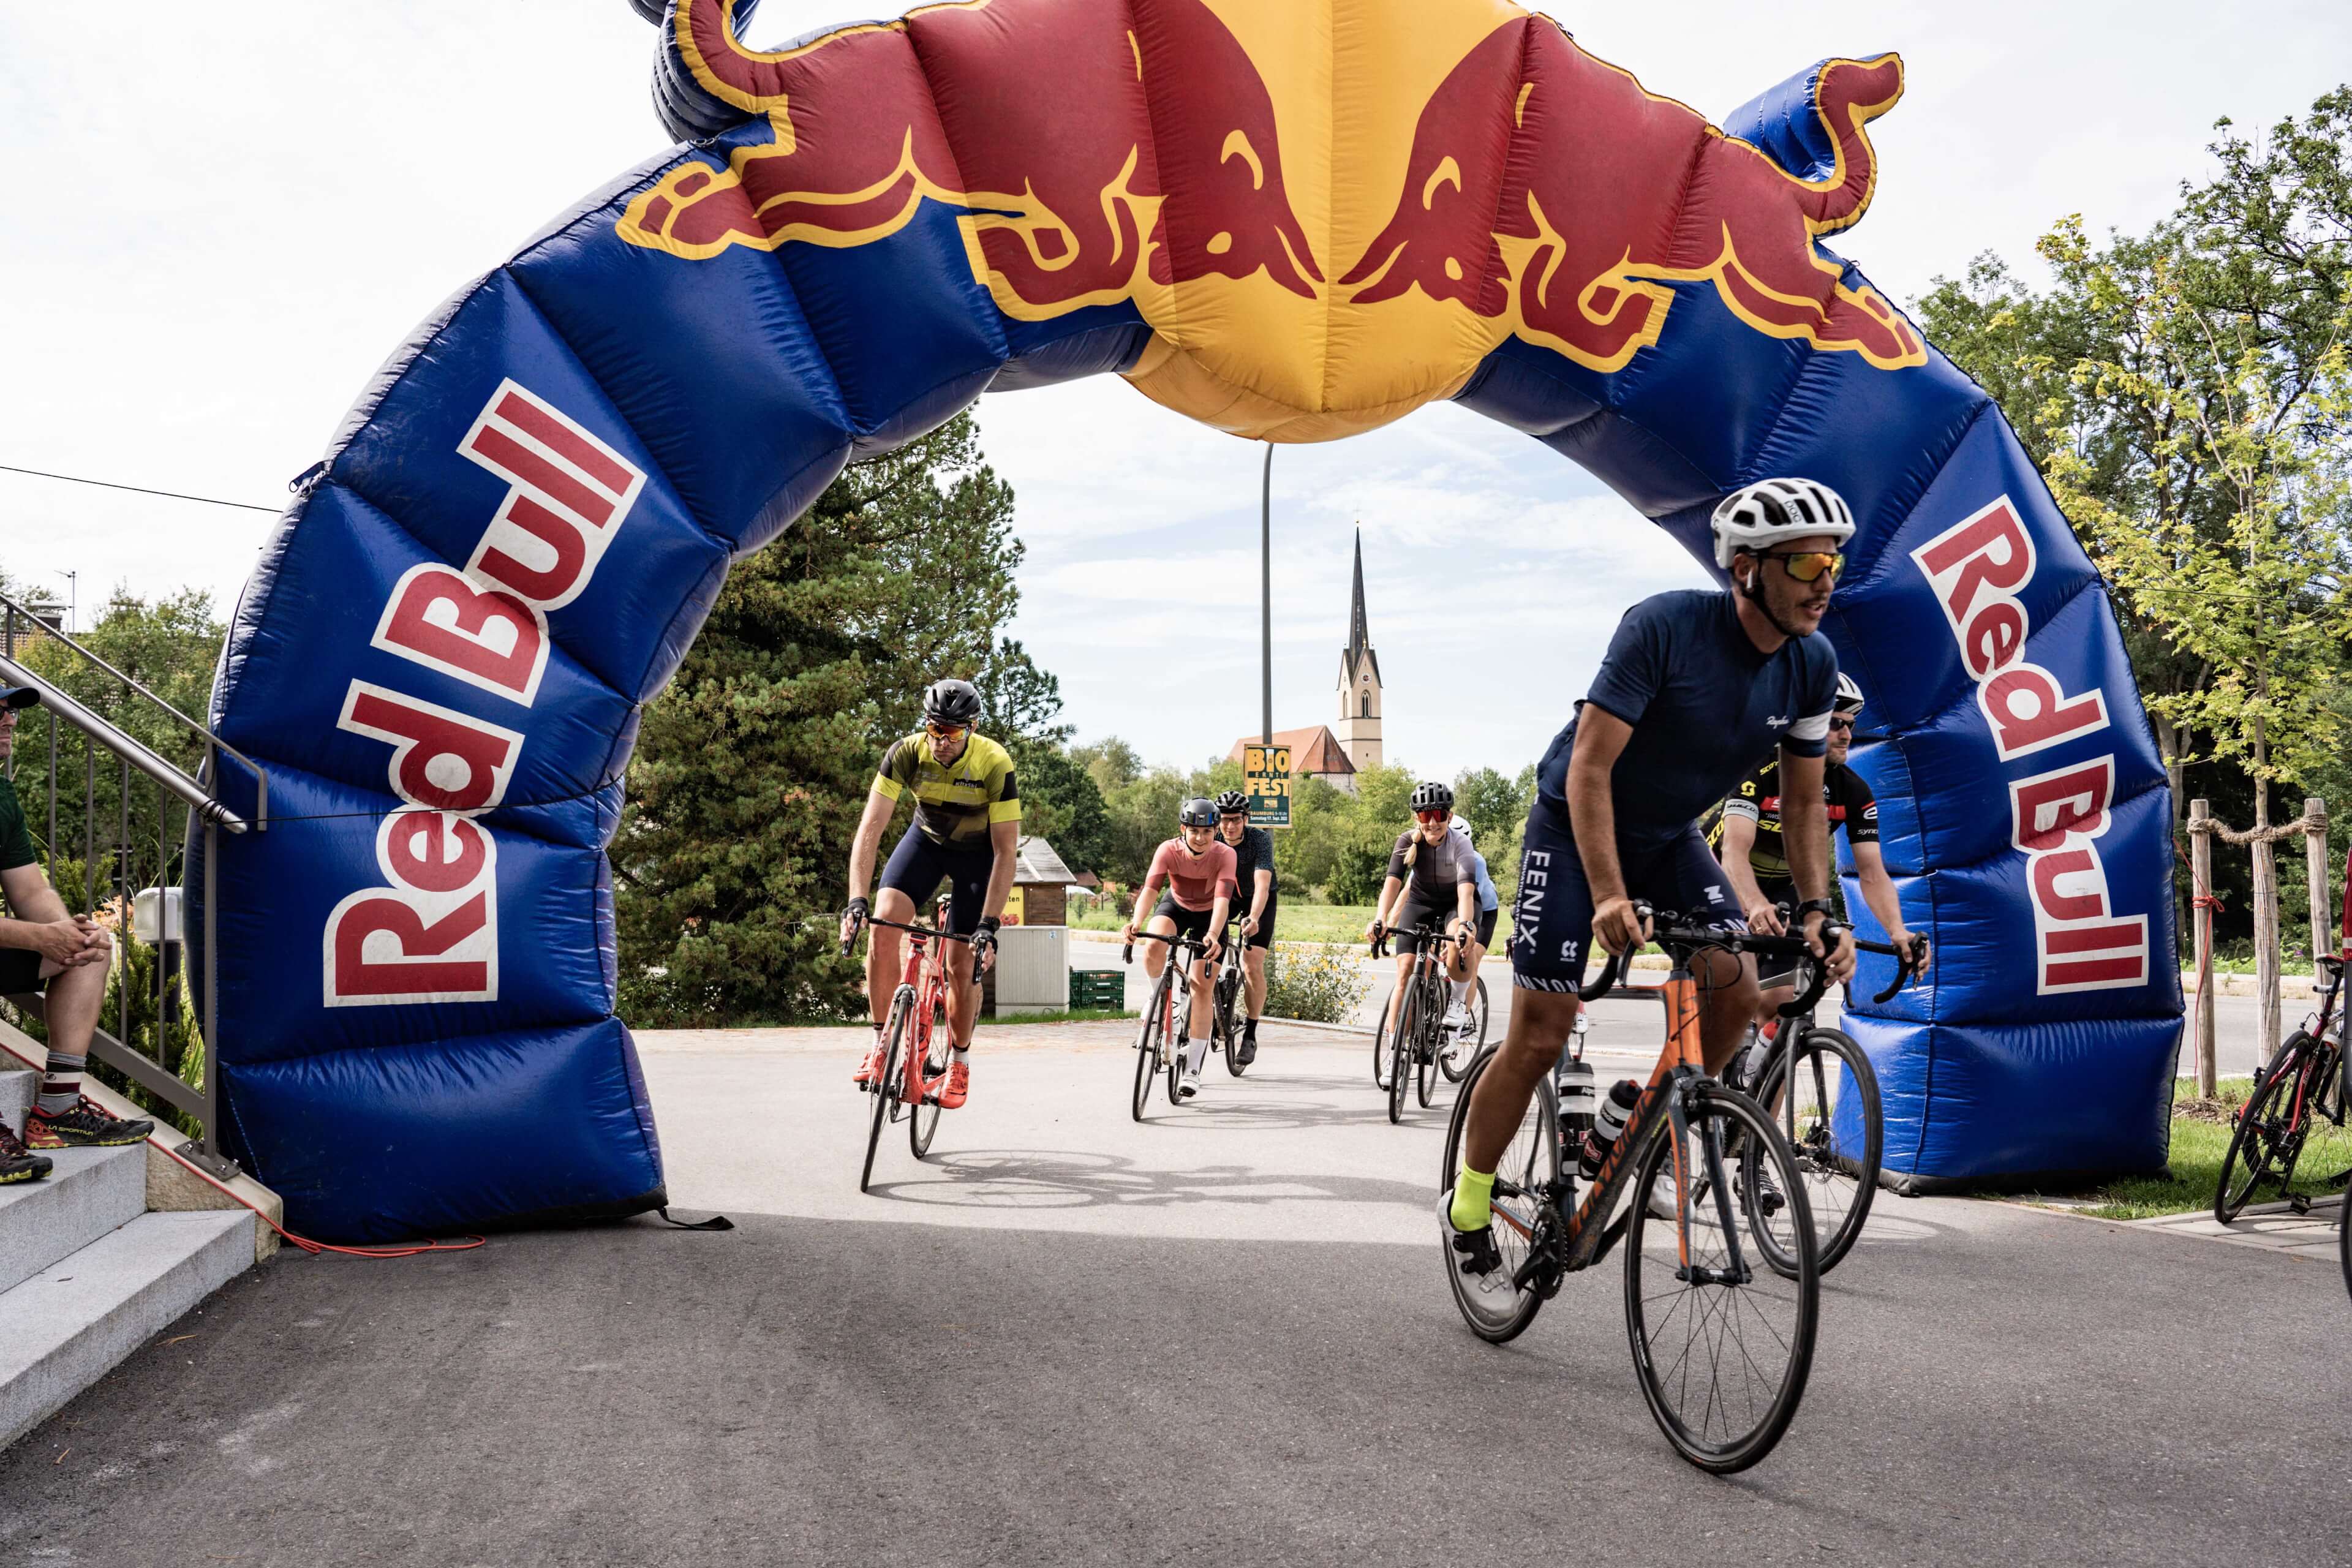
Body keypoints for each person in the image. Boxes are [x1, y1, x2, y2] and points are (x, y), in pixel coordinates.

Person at [1442, 477, 1860, 1298]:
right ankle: (1469, 1196)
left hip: (1667, 837)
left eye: (1834, 564)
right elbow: (1591, 767)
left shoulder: (1812, 666)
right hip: (1575, 827)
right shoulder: (1664, 627)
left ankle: (1641, 1126)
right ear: (1746, 569)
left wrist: (1817, 911)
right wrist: (1607, 893)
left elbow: (1807, 802)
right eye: (1806, 562)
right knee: (1541, 1032)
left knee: (1736, 986)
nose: (1825, 582)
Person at [1714, 672, 1929, 1036]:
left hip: (1784, 888)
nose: (1847, 735)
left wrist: (1897, 930)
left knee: (1778, 1004)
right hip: (1723, 881)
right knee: (1733, 994)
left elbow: (1872, 873)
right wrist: (1754, 903)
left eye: (1850, 725)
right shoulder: (1759, 770)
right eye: (1834, 724)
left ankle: (1760, 1067)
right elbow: (1734, 852)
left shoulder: (1853, 792)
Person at [839, 678, 1019, 1112]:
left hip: (978, 857)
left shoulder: (995, 763)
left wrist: (989, 925)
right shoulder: (906, 752)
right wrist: (856, 900)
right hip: (926, 842)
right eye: (935, 729)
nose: (941, 741)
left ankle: (959, 1063)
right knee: (882, 926)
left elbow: (1005, 851)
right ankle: (881, 1044)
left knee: (961, 962)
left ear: (972, 728)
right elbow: (870, 830)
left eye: (952, 732)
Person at [0, 685, 153, 1186]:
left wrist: (66, 934)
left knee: (92, 952)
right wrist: (36, 938)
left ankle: (57, 1111)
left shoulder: (1, 796)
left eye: (10, 711)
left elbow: (30, 889)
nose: (9, 720)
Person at [1123, 798, 1235, 1101]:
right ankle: (1161, 998)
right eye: (1194, 831)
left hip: (1211, 916)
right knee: (1154, 945)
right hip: (1178, 906)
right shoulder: (1168, 850)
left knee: (1201, 986)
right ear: (1183, 830)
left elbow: (1223, 900)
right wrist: (1136, 922)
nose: (1200, 838)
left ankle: (1193, 1070)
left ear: (1215, 832)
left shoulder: (1226, 855)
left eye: (1207, 832)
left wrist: (1214, 934)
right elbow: (1150, 889)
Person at [1366, 781, 1480, 1046]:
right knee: (1405, 970)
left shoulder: (1461, 843)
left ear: (1449, 816)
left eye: (1438, 815)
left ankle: (1457, 1001)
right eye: (1425, 815)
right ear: (1417, 818)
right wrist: (1381, 918)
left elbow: (1465, 891)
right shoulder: (1407, 841)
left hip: (1454, 904)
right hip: (1420, 903)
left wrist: (1465, 925)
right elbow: (1392, 883)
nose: (1432, 823)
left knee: (1457, 942)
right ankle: (1396, 1049)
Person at [1212, 789, 1276, 1067]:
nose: (1229, 826)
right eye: (1224, 820)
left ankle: (1250, 1034)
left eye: (1236, 820)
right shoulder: (1211, 838)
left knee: (1251, 964)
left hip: (1257, 899)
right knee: (1207, 948)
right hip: (1225, 897)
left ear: (1246, 819)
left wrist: (1254, 917)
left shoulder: (1259, 840)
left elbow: (1262, 885)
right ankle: (1212, 1002)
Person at [1441, 815, 1502, 1068]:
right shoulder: (1434, 856)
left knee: (1469, 955)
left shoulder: (1475, 861)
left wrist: (1456, 940)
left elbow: (1467, 902)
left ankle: (1462, 1019)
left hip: (1483, 911)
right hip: (1450, 907)